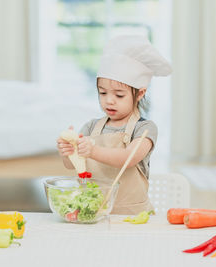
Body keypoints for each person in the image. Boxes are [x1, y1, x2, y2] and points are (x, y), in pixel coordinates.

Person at [57, 35, 172, 214]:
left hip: (132, 216)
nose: (109, 101)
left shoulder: (144, 129)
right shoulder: (90, 127)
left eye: (119, 95)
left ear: (140, 93)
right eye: (102, 93)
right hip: (93, 213)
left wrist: (93, 151)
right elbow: (71, 165)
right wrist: (68, 152)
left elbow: (128, 158)